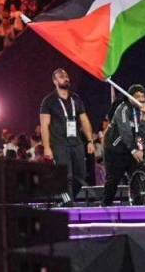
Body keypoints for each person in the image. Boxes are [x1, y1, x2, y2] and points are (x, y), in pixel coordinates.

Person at [40, 69, 95, 206]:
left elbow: (84, 120)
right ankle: (67, 201)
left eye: (66, 75)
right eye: (61, 76)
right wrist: (47, 147)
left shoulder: (75, 98)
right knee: (66, 176)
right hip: (59, 144)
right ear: (55, 81)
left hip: (76, 142)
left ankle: (67, 200)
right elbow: (44, 125)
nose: (65, 78)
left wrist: (90, 141)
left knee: (80, 175)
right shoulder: (49, 101)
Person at [102, 84, 145, 206]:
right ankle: (105, 206)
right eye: (137, 96)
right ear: (129, 97)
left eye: (143, 96)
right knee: (113, 180)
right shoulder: (122, 109)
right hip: (115, 151)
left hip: (131, 150)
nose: (141, 99)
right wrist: (134, 150)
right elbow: (125, 131)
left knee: (136, 179)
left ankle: (139, 208)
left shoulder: (144, 109)